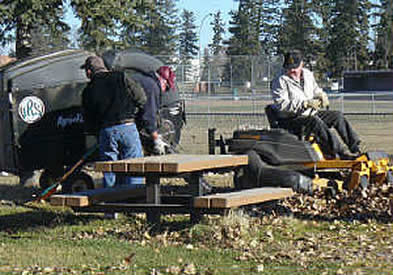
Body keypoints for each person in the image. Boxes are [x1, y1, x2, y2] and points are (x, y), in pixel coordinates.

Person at [270, 49, 362, 159]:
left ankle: (355, 148)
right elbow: (281, 105)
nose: (292, 70)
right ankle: (340, 152)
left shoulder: (308, 75)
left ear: (301, 64)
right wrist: (304, 104)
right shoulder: (280, 80)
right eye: (289, 68)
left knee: (337, 116)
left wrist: (322, 95)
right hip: (291, 119)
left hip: (309, 114)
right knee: (314, 122)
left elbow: (316, 90)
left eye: (295, 67)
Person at [80, 55, 147, 188]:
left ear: (89, 72)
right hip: (128, 127)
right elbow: (141, 98)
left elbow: (88, 121)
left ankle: (111, 203)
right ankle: (133, 201)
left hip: (106, 131)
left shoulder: (87, 90)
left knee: (110, 171)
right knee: (133, 167)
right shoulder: (121, 77)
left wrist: (97, 135)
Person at [132, 66, 176, 155]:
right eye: (166, 88)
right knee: (133, 156)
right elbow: (149, 115)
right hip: (124, 124)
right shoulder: (152, 87)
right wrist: (156, 138)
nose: (164, 91)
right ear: (163, 81)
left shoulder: (143, 80)